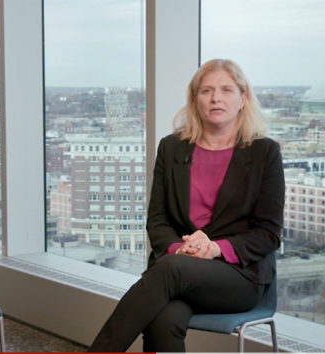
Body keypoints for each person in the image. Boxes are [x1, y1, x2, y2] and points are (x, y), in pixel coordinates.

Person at [88, 59, 284, 352]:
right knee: (163, 318)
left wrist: (215, 248)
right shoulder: (172, 147)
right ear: (195, 99)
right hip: (179, 268)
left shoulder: (264, 152)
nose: (216, 98)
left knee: (169, 271)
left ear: (242, 99)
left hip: (240, 276)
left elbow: (268, 233)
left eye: (226, 90)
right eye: (206, 90)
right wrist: (181, 250)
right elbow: (157, 220)